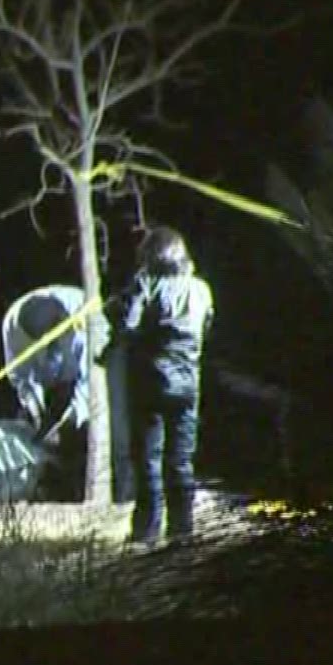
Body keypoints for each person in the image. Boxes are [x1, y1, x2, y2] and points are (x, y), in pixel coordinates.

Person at [104, 225, 215, 544]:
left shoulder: (147, 285)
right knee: (181, 458)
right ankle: (182, 529)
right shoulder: (201, 289)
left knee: (148, 458)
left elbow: (127, 326)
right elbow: (206, 327)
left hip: (150, 383)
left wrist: (121, 305)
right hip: (188, 384)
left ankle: (147, 531)